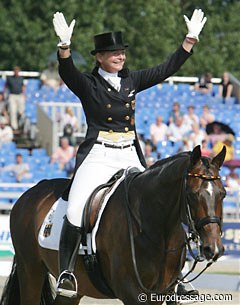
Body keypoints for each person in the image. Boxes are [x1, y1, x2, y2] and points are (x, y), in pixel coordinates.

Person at [52, 8, 207, 297]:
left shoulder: (130, 81)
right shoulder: (89, 84)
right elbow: (67, 72)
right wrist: (64, 49)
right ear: (99, 56)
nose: (120, 56)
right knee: (75, 209)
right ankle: (67, 273)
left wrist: (189, 42)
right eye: (113, 53)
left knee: (163, 204)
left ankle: (177, 275)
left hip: (128, 153)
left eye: (122, 52)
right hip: (99, 154)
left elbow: (165, 69)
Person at [5, 66, 26, 131]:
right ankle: (14, 126)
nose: (16, 72)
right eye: (15, 71)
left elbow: (23, 87)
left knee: (21, 111)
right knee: (12, 111)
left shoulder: (21, 78)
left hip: (20, 95)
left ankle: (20, 124)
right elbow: (6, 87)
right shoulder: (10, 78)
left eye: (17, 71)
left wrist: (25, 94)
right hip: (12, 96)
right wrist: (4, 95)